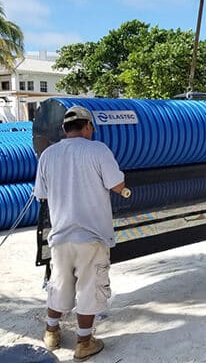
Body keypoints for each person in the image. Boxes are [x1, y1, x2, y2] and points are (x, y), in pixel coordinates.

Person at [34, 106, 128, 362]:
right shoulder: (98, 150)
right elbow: (117, 184)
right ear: (88, 126)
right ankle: (84, 342)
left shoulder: (48, 155)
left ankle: (51, 333)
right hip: (91, 236)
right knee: (89, 288)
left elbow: (41, 193)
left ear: (64, 129)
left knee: (60, 284)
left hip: (61, 236)